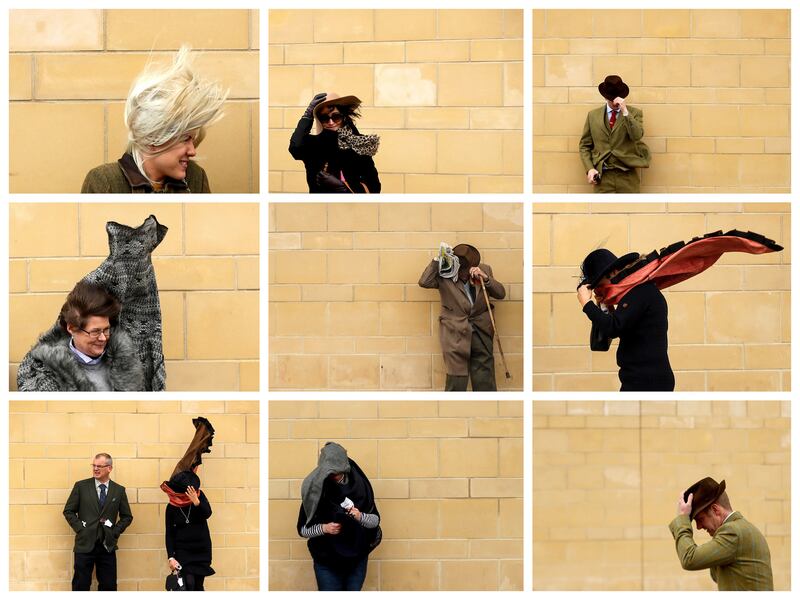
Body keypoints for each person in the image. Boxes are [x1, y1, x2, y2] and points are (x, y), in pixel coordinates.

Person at [81, 46, 226, 193]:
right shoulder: (106, 182)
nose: (193, 151)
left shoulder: (195, 178)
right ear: (153, 138)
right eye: (185, 139)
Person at [16, 281, 145, 391]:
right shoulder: (46, 373)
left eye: (106, 330)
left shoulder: (127, 362)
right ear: (72, 328)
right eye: (95, 332)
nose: (103, 338)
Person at [576, 248, 674, 391]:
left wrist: (587, 304)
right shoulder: (637, 292)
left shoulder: (639, 292)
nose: (598, 290)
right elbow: (601, 343)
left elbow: (613, 327)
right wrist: (605, 305)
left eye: (599, 285)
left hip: (647, 382)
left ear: (613, 273)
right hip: (641, 379)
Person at [419, 243, 506, 391]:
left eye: (466, 270)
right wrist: (437, 260)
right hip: (455, 332)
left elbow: (500, 294)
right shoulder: (444, 273)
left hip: (482, 330)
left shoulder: (484, 269)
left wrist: (485, 279)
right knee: (456, 380)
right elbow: (424, 282)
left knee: (484, 378)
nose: (464, 274)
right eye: (461, 270)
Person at [297, 442, 381, 591]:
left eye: (337, 472)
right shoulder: (315, 489)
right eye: (329, 473)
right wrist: (324, 528)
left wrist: (360, 516)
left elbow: (375, 522)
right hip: (326, 562)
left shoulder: (360, 487)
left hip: (356, 560)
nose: (334, 476)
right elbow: (304, 530)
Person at [670, 477, 773, 590]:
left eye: (700, 519)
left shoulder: (732, 532)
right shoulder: (742, 528)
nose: (699, 527)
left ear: (716, 510)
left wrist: (682, 519)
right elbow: (717, 576)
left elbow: (689, 559)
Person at [63, 453, 133, 591]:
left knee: (109, 586)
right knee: (80, 585)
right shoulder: (81, 486)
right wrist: (81, 529)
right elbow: (68, 511)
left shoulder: (119, 490)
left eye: (99, 466)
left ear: (109, 468)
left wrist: (114, 532)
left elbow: (127, 516)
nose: (95, 469)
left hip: (107, 545)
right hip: (85, 544)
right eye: (94, 465)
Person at [161, 417, 216, 591]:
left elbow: (207, 513)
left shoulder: (199, 496)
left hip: (201, 550)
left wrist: (197, 502)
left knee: (198, 586)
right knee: (188, 585)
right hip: (183, 553)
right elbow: (169, 533)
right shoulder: (171, 506)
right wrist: (171, 557)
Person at [289, 92, 381, 193]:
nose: (331, 122)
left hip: (352, 207)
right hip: (320, 206)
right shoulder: (314, 144)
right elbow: (295, 148)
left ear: (344, 116)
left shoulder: (359, 144)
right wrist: (307, 116)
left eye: (336, 116)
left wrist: (344, 189)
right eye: (324, 118)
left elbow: (374, 187)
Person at [579, 75, 651, 193]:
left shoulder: (634, 113)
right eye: (611, 97)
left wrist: (625, 112)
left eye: (616, 97)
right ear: (605, 96)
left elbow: (637, 135)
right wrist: (590, 168)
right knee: (602, 211)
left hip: (627, 176)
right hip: (602, 177)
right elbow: (584, 145)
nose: (614, 101)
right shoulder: (593, 116)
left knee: (631, 210)